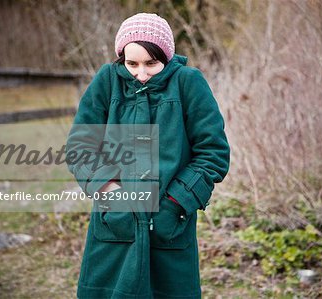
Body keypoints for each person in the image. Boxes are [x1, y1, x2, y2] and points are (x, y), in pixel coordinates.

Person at [66, 12, 230, 299]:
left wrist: (176, 202)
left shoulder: (188, 83)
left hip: (169, 222)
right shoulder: (107, 82)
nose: (141, 74)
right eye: (132, 64)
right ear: (121, 58)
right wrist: (109, 191)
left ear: (165, 56)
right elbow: (80, 146)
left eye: (151, 63)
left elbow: (213, 152)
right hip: (113, 224)